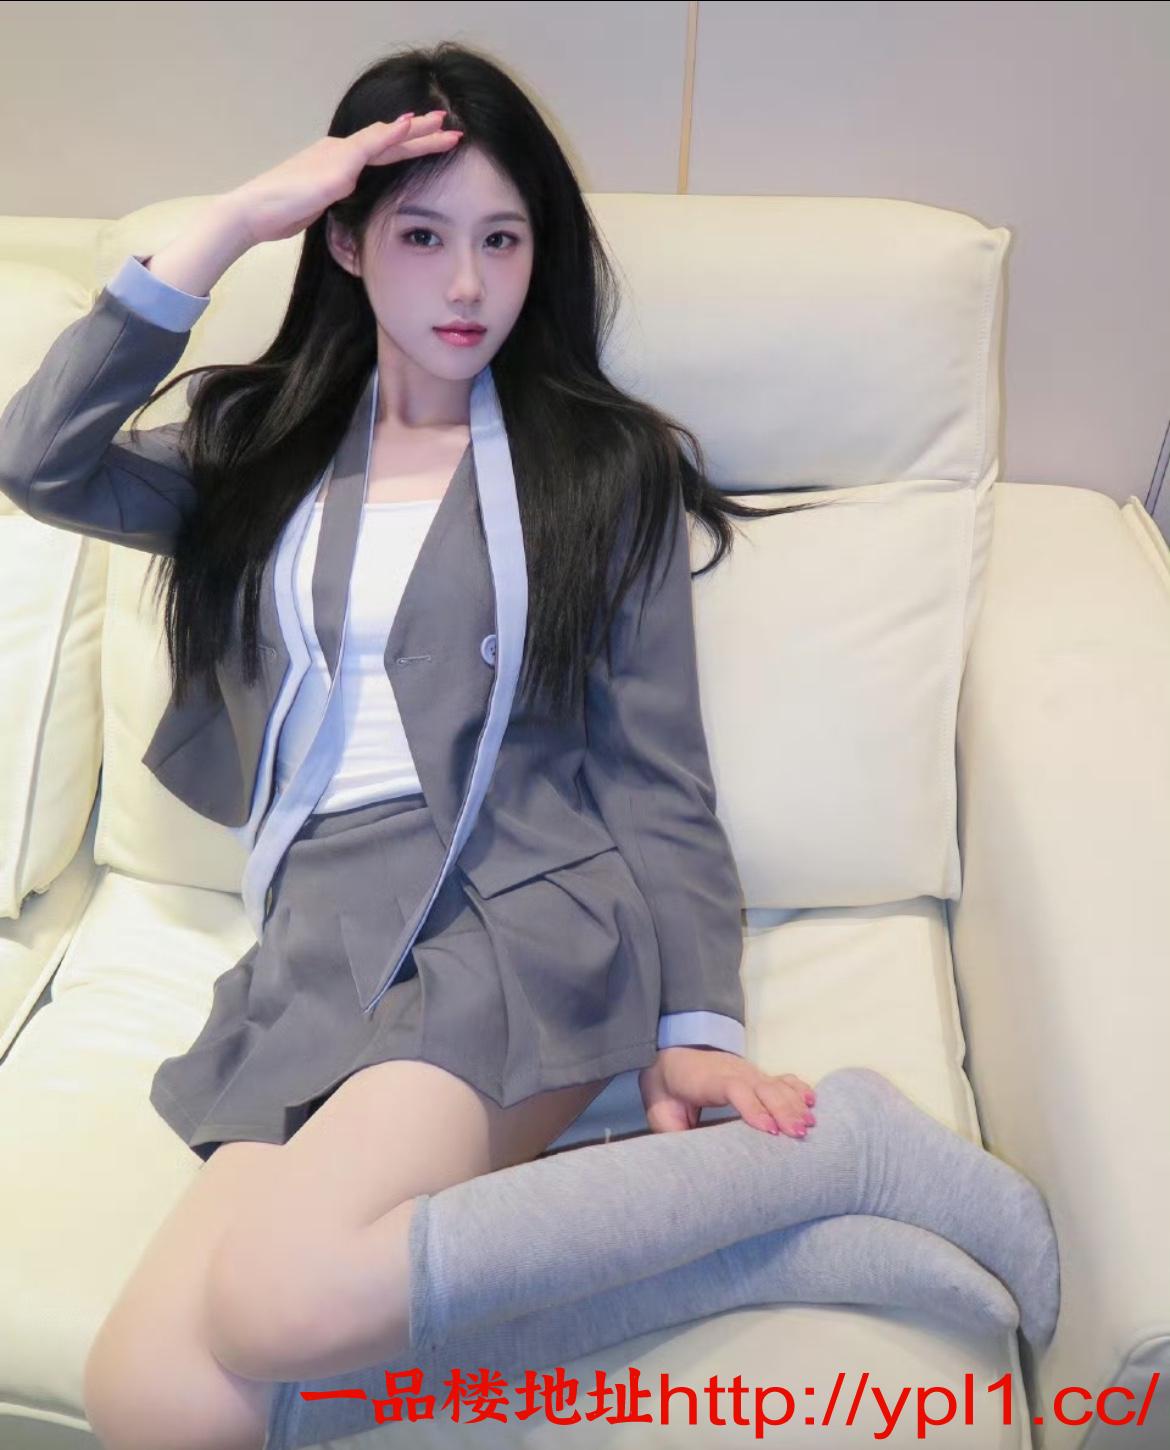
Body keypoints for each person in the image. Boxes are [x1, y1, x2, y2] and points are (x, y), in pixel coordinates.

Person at [0, 42, 1058, 1450]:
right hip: (316, 946)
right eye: (421, 236)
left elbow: (658, 776)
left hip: (518, 911)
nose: (465, 284)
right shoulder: (255, 445)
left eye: (501, 240)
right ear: (345, 241)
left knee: (275, 1298)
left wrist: (696, 1030)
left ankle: (834, 1158)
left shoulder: (596, 467)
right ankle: (768, 1241)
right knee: (156, 1401)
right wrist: (237, 218)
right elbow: (38, 457)